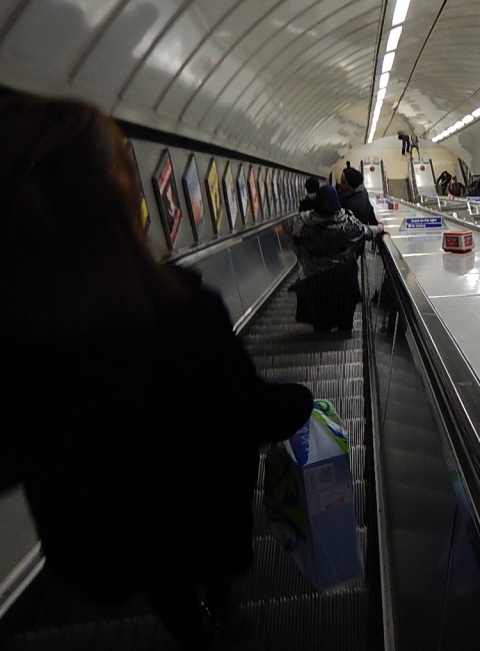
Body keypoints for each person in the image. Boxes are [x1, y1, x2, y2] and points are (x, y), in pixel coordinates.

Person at [0, 90, 314, 649]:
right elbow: (245, 411)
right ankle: (222, 608)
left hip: (111, 548)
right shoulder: (182, 313)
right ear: (120, 196)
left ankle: (194, 634)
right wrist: (301, 401)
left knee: (163, 579)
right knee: (200, 557)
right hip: (201, 512)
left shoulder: (21, 346)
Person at [290, 184, 385, 333]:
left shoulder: (302, 221)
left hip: (314, 282)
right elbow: (366, 231)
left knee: (321, 323)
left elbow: (294, 241)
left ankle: (322, 335)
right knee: (345, 321)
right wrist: (380, 228)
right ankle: (344, 332)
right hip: (342, 281)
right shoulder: (346, 223)